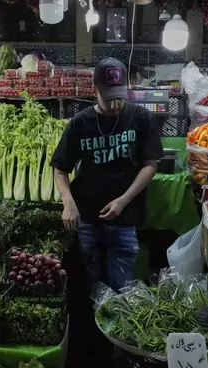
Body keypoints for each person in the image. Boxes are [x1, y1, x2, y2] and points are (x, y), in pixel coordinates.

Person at [50, 58, 163, 291]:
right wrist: (68, 203)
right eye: (109, 98)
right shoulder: (80, 123)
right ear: (96, 91)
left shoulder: (141, 119)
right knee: (90, 285)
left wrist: (124, 200)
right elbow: (61, 169)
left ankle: (113, 327)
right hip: (88, 220)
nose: (116, 105)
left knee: (122, 288)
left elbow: (150, 165)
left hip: (124, 220)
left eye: (120, 97)